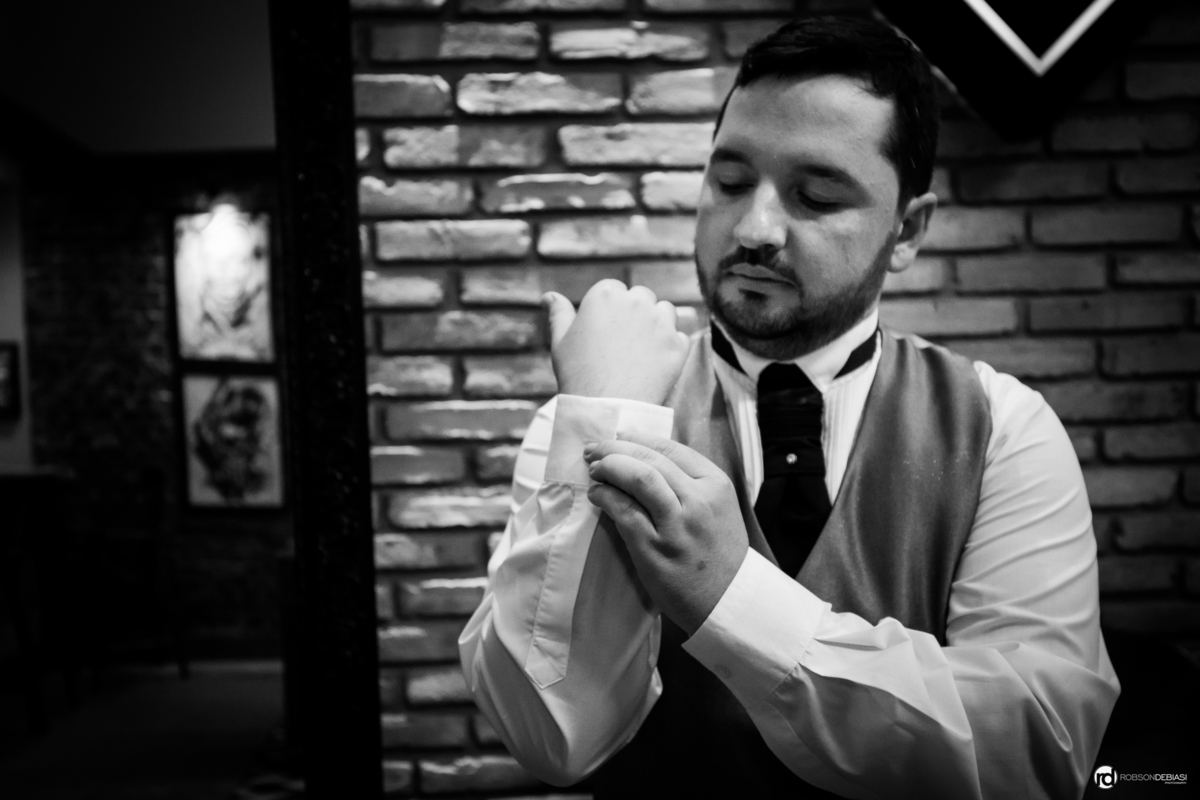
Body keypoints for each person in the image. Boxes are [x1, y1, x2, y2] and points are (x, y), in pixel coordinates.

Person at [459, 15, 1119, 800]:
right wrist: (601, 420)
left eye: (815, 196)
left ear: (908, 230)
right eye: (731, 182)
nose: (753, 229)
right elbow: (554, 743)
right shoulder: (597, 411)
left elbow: (1040, 751)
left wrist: (729, 595)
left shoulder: (1003, 430)